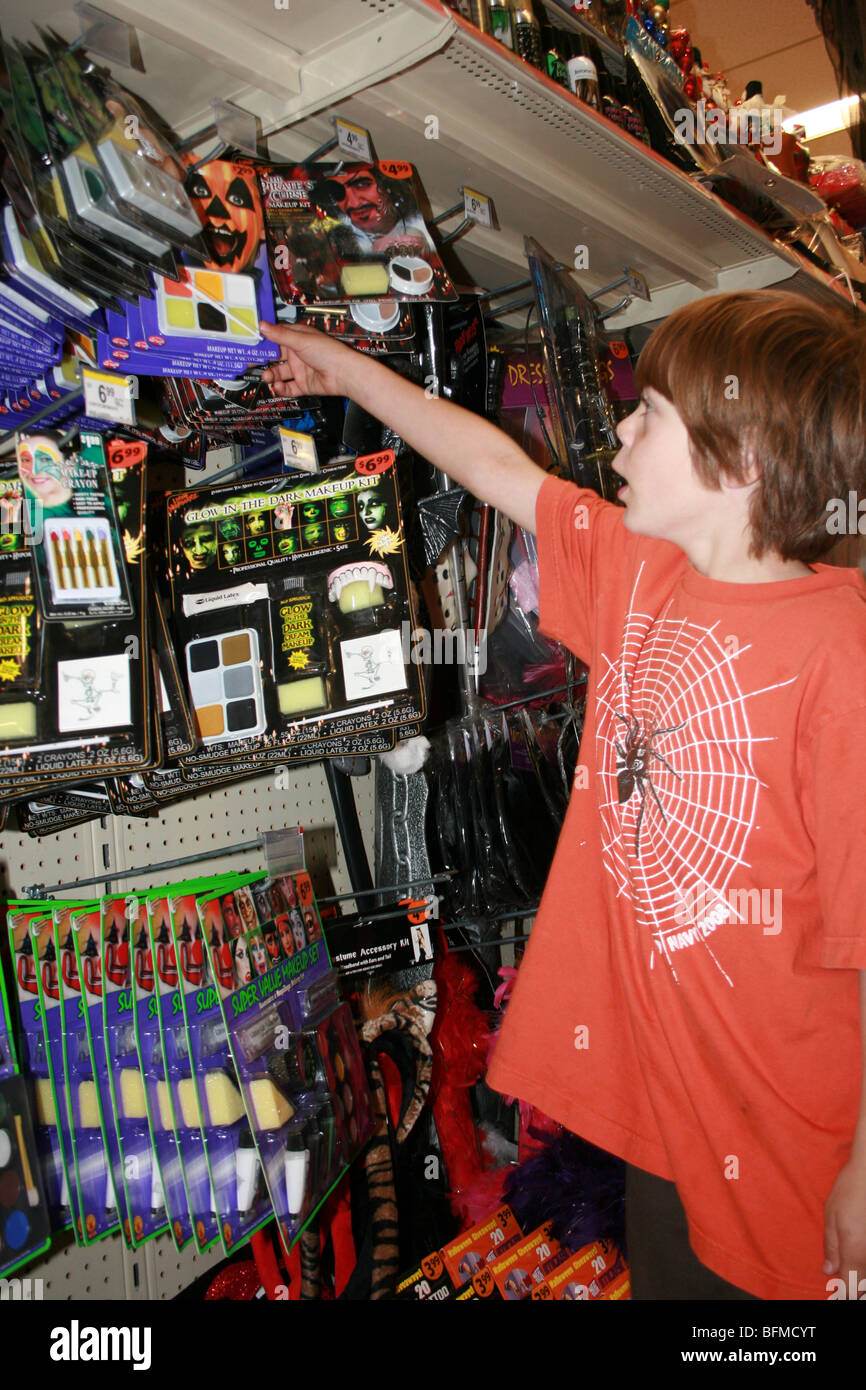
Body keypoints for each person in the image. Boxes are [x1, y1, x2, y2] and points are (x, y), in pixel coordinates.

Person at [259, 292, 866, 1303]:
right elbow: (501, 471)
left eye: (653, 414)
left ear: (744, 457)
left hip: (797, 1153)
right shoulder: (641, 573)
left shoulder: (839, 656)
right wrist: (342, 371)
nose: (620, 429)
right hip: (666, 1125)